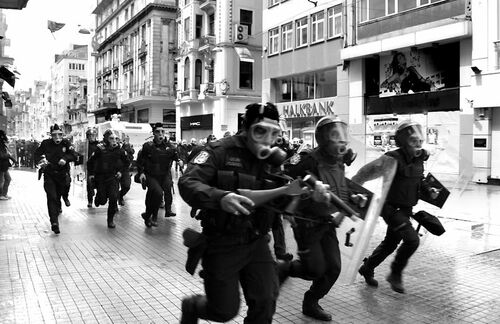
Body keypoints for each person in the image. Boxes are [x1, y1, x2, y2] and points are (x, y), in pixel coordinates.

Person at [178, 102, 305, 324]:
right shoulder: (219, 151)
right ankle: (193, 306)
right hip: (221, 243)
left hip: (256, 242)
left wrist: (302, 194)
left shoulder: (274, 162)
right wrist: (220, 197)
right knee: (223, 311)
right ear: (246, 129)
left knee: (266, 301)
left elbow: (282, 198)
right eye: (260, 131)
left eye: (274, 133)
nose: (267, 139)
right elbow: (188, 182)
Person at [283, 116, 358, 321]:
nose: (341, 141)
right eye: (335, 136)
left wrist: (352, 197)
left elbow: (339, 186)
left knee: (333, 268)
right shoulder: (307, 158)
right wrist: (308, 193)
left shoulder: (338, 161)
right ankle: (282, 268)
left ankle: (311, 303)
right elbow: (283, 179)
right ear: (323, 138)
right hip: (306, 222)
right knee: (314, 269)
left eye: (343, 136)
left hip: (326, 221)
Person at [353, 120, 440, 294]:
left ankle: (367, 267)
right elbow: (363, 173)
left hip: (406, 209)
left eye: (420, 141)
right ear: (402, 141)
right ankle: (395, 273)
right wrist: (351, 192)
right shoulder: (391, 159)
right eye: (413, 141)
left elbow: (419, 179)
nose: (418, 145)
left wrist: (429, 189)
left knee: (390, 243)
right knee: (412, 240)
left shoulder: (419, 159)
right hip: (390, 208)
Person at [136, 123, 181, 227]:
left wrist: (179, 161)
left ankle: (152, 215)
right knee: (158, 193)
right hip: (151, 175)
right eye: (157, 132)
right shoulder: (148, 146)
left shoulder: (170, 147)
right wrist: (141, 173)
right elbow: (140, 161)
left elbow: (176, 156)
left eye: (162, 131)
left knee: (165, 189)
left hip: (164, 175)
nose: (160, 134)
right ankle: (151, 216)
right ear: (153, 134)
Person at [34, 124, 77, 234]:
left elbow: (74, 155)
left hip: (63, 174)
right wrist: (41, 161)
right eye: (54, 135)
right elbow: (37, 154)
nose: (57, 137)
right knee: (52, 197)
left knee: (63, 191)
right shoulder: (45, 143)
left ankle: (65, 198)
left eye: (59, 134)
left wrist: (65, 158)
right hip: (50, 174)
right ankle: (54, 222)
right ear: (51, 135)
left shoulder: (66, 143)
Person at [87, 130, 129, 228]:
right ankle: (98, 198)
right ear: (106, 139)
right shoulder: (100, 149)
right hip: (101, 177)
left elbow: (127, 163)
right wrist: (91, 174)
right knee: (102, 200)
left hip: (113, 177)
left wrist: (121, 172)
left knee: (113, 198)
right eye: (111, 139)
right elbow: (90, 162)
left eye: (116, 139)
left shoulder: (120, 150)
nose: (114, 141)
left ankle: (110, 220)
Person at [85, 128, 100, 207]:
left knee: (100, 184)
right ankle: (90, 201)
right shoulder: (84, 145)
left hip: (98, 167)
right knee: (89, 185)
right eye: (89, 135)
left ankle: (98, 198)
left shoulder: (99, 145)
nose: (91, 137)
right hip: (89, 168)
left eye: (93, 135)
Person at [118, 134, 134, 206]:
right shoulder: (115, 146)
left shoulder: (128, 146)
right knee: (114, 188)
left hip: (124, 169)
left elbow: (131, 154)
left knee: (127, 186)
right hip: (114, 170)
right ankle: (114, 205)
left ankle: (120, 195)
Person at [0, 130, 16, 200]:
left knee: (7, 179)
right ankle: (1, 194)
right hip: (1, 165)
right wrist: (9, 156)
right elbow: (2, 155)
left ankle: (4, 194)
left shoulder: (2, 144)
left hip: (4, 165)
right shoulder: (0, 144)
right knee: (1, 180)